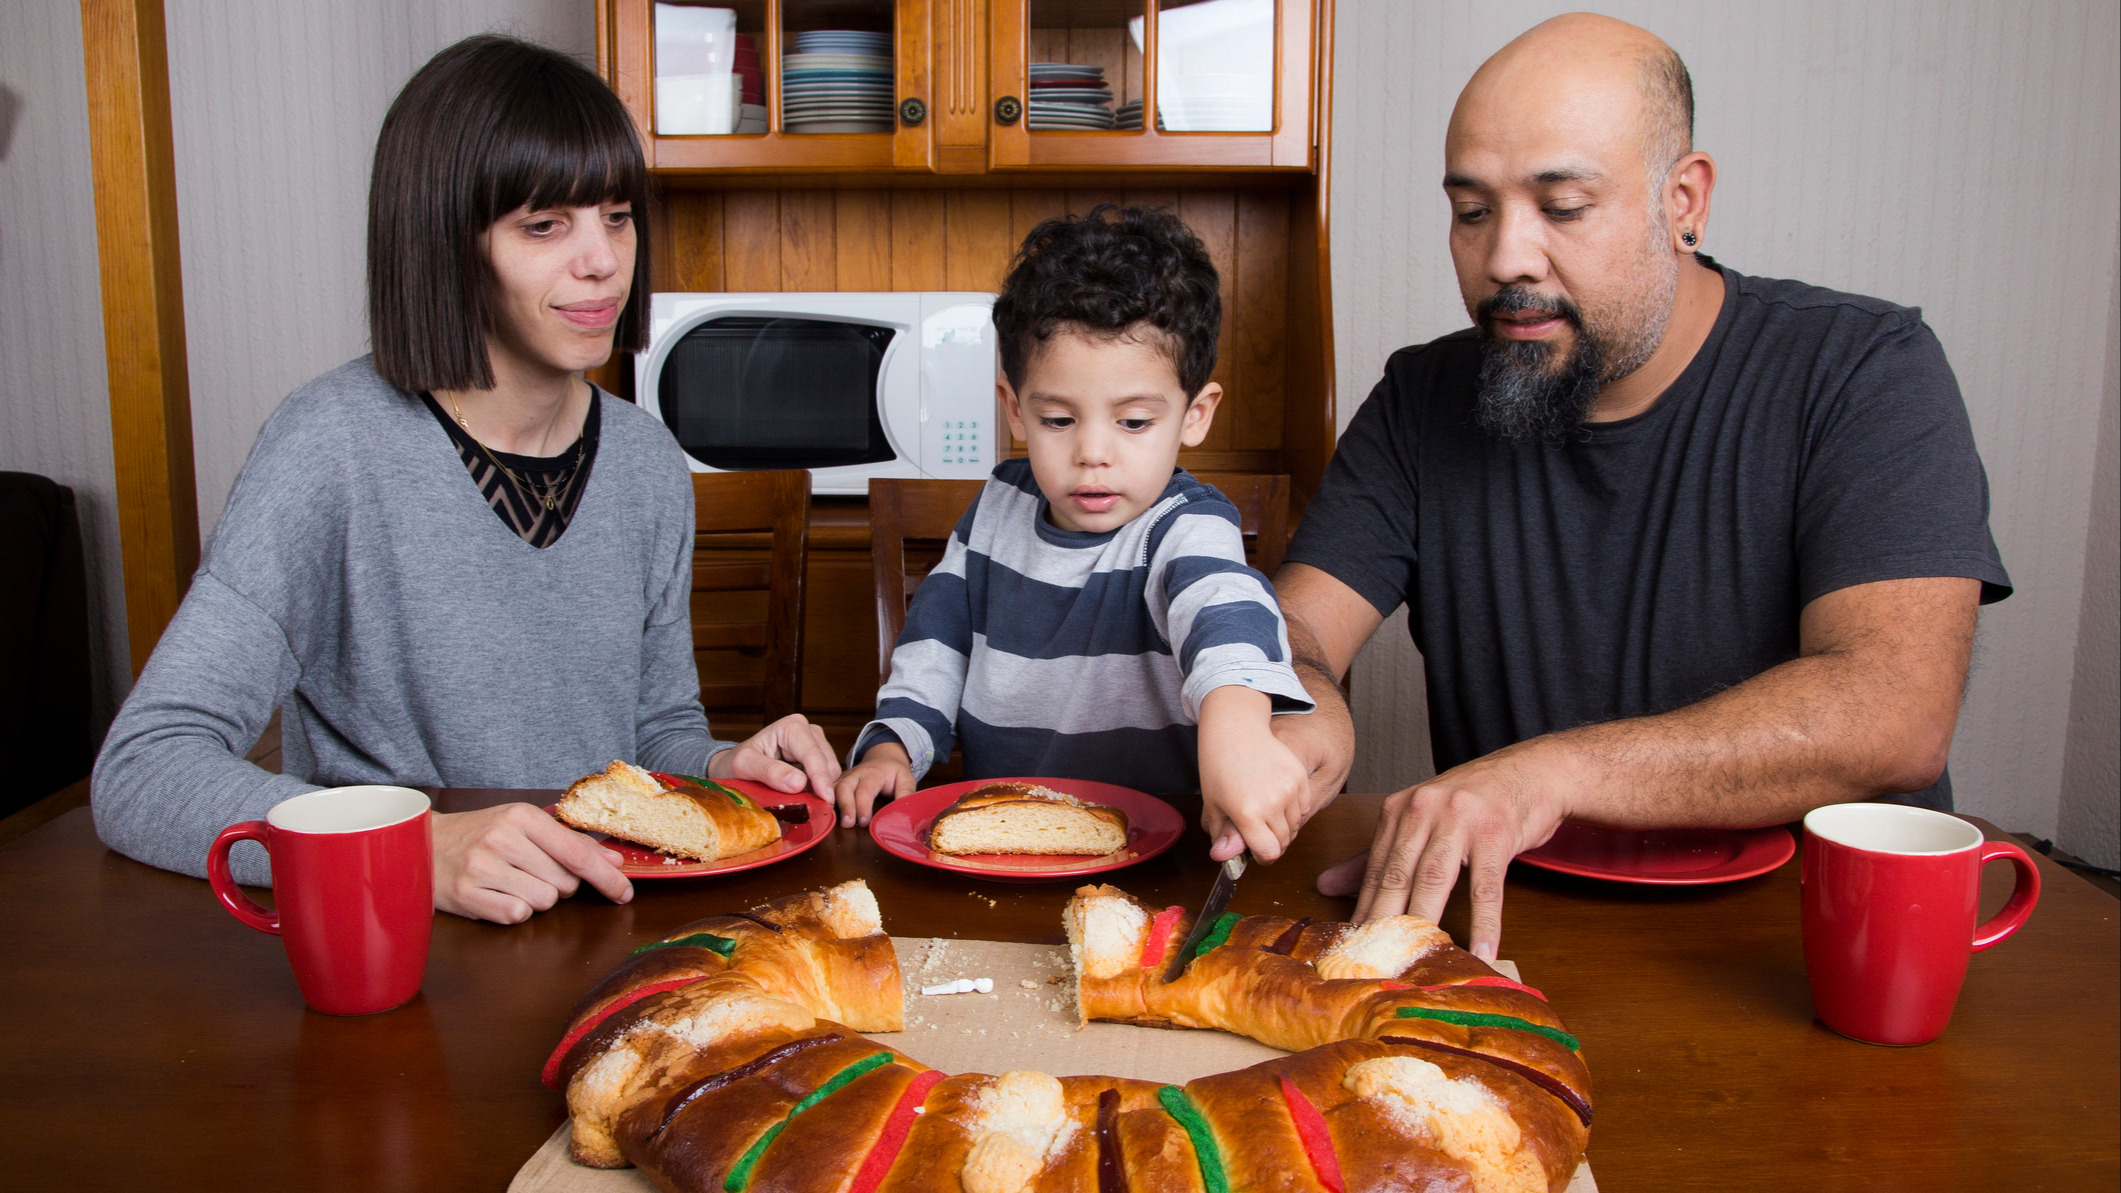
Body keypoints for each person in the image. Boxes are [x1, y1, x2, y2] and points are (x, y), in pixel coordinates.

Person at [1269, 14, 2011, 959]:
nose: (1505, 258)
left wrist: (1546, 774)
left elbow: (1895, 709)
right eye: (1471, 211)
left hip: (1803, 950)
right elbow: (1293, 628)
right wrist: (1300, 695)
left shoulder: (1865, 368)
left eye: (1563, 206)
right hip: (1506, 938)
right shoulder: (1421, 396)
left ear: (1684, 201)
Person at [91, 35, 840, 924]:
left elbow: (651, 737)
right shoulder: (329, 445)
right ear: (445, 243)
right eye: (543, 225)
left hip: (596, 926)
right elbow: (144, 765)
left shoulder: (644, 463)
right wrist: (406, 847)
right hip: (404, 946)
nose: (602, 259)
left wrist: (721, 765)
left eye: (617, 214)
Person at [831, 206, 1316, 861]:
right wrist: (892, 745)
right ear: (1015, 409)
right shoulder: (994, 509)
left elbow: (1227, 615)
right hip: (1000, 840)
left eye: (1134, 422)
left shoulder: (1186, 524)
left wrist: (1236, 727)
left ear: (1194, 415)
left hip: (1157, 852)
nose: (1093, 452)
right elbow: (933, 657)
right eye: (1059, 419)